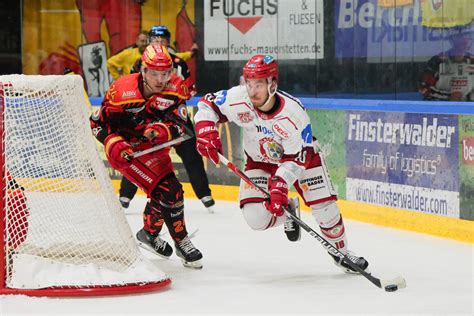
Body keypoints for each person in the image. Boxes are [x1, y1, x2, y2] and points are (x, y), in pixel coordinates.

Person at [193, 54, 369, 274]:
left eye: (258, 84)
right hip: (259, 161)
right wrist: (205, 129)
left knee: (325, 209)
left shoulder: (294, 113)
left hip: (300, 159)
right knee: (256, 218)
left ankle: (341, 252)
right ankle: (289, 211)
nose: (252, 90)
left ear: (272, 84)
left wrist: (280, 183)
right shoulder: (238, 98)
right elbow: (207, 105)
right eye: (248, 83)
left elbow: (297, 158)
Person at [90, 43, 203, 269]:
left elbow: (183, 127)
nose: (160, 79)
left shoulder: (176, 89)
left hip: (154, 149)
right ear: (143, 70)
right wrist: (113, 143)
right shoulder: (121, 91)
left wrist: (163, 131)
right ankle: (181, 240)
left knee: (168, 192)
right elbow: (96, 123)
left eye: (165, 73)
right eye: (154, 73)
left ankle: (149, 234)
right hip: (126, 152)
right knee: (169, 191)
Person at [118, 25, 215, 213]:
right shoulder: (141, 63)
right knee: (137, 151)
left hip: (175, 115)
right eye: (156, 40)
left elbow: (189, 89)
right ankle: (124, 195)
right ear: (150, 41)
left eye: (163, 40)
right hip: (149, 116)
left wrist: (174, 99)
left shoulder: (179, 62)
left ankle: (204, 194)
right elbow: (133, 88)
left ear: (168, 42)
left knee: (191, 153)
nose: (160, 43)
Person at [419, 25, 474, 101]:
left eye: (468, 37)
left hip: (467, 110)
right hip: (439, 109)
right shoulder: (437, 61)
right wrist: (449, 97)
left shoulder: (472, 61)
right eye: (460, 38)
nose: (465, 41)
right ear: (452, 40)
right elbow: (424, 88)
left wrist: (466, 99)